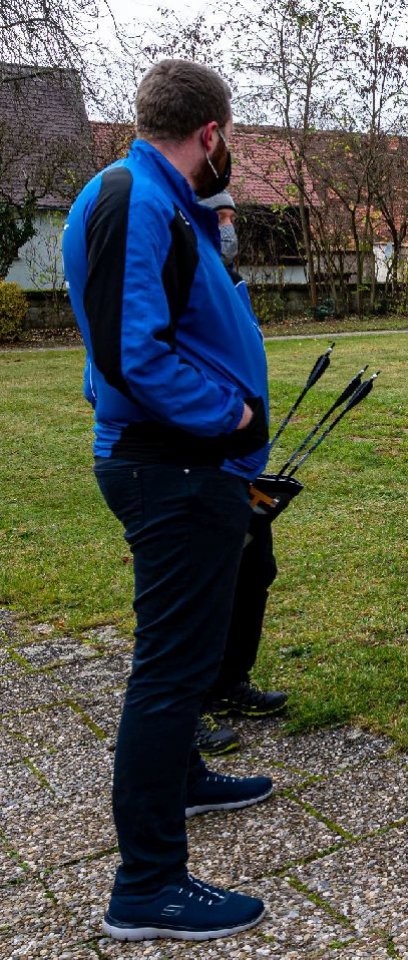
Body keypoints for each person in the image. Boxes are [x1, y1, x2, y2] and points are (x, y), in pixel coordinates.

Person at [63, 59, 274, 941]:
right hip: (175, 468)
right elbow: (127, 353)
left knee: (182, 659)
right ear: (212, 134)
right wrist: (228, 417)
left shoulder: (154, 196)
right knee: (170, 670)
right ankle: (147, 885)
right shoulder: (132, 198)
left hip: (191, 469)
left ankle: (182, 774)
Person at [193, 190, 289, 757]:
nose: (229, 229)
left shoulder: (229, 287)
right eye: (220, 219)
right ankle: (194, 702)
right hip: (206, 465)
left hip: (245, 468)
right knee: (206, 587)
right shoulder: (182, 281)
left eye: (233, 218)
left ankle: (231, 682)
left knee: (256, 571)